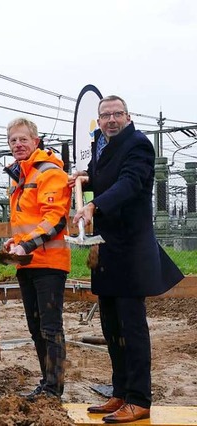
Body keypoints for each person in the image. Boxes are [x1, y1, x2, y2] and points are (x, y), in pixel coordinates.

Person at [71, 95, 184, 423]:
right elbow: (102, 175)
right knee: (111, 326)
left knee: (132, 328)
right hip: (107, 249)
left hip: (131, 251)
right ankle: (120, 391)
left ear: (128, 116)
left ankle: (139, 399)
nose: (110, 120)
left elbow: (129, 183)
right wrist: (83, 178)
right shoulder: (102, 145)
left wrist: (94, 205)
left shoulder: (138, 145)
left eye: (116, 114)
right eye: (105, 115)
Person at [3, 117, 71, 399]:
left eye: (23, 139)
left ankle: (54, 389)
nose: (18, 144)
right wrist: (15, 242)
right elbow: (29, 221)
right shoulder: (23, 175)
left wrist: (26, 245)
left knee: (50, 327)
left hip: (49, 265)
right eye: (13, 141)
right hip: (28, 262)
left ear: (35, 141)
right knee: (35, 327)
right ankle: (46, 383)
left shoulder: (48, 173)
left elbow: (55, 219)